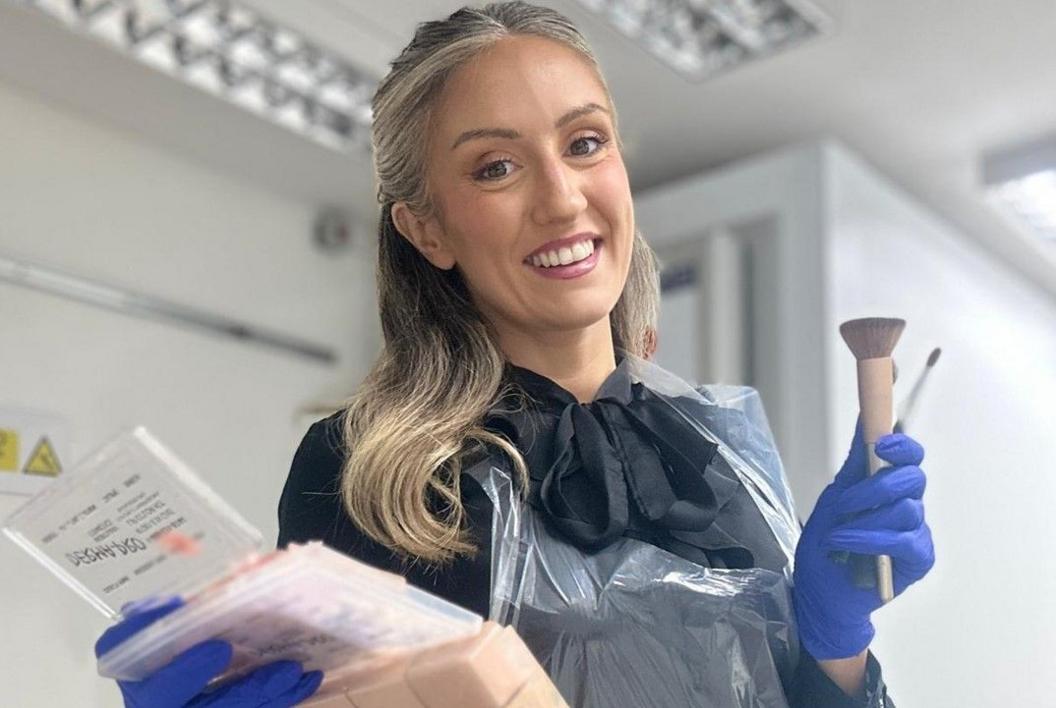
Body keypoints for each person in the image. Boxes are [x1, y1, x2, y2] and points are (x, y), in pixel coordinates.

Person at [96, 3, 934, 706]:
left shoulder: (716, 455)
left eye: (585, 143)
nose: (562, 197)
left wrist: (836, 649)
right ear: (428, 230)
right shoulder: (372, 476)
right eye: (497, 167)